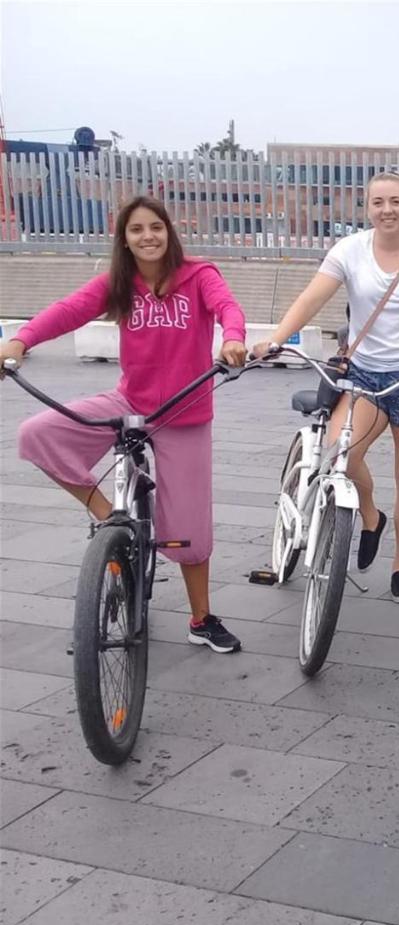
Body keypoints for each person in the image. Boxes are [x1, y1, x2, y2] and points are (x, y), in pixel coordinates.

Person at [1, 196, 248, 653]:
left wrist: (232, 340)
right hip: (129, 401)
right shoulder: (119, 282)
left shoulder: (199, 275)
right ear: (125, 239)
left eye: (156, 227)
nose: (148, 237)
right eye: (136, 230)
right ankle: (108, 516)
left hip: (184, 410)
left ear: (169, 232)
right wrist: (19, 340)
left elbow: (228, 308)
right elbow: (68, 310)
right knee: (36, 434)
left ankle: (201, 618)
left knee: (190, 529)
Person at [254, 171, 399, 602]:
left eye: (394, 202)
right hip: (364, 375)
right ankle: (369, 515)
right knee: (340, 455)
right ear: (367, 207)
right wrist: (276, 339)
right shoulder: (349, 250)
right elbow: (313, 297)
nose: (387, 210)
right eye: (378, 202)